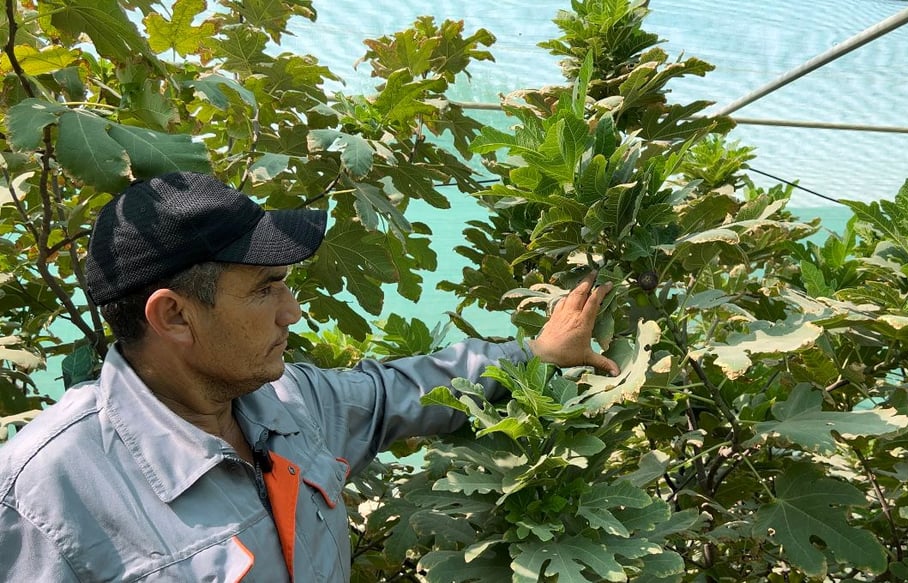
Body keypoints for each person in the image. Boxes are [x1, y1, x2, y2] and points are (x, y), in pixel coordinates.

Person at [0, 171, 619, 581]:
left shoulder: (291, 405)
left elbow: (402, 390)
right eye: (265, 289)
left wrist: (536, 356)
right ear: (174, 316)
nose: (291, 311)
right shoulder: (45, 497)